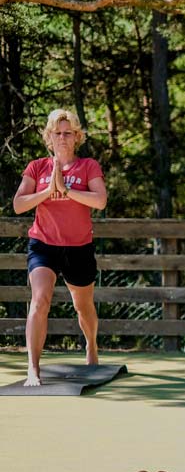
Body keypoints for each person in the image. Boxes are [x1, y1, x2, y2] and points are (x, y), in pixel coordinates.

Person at [13, 109, 108, 387]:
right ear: (49, 137)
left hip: (78, 247)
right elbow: (19, 205)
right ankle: (33, 368)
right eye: (57, 133)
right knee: (40, 299)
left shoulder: (88, 166)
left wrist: (66, 190)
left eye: (68, 133)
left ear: (76, 137)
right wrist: (47, 191)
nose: (62, 138)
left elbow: (100, 201)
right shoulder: (37, 167)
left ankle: (91, 345)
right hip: (43, 245)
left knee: (83, 306)